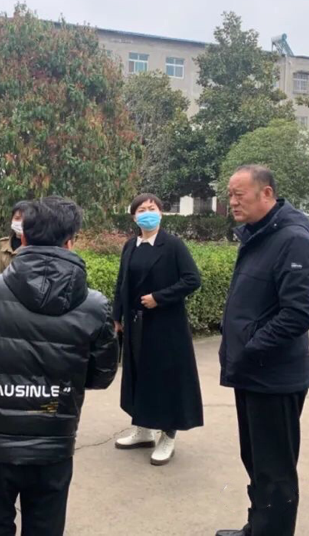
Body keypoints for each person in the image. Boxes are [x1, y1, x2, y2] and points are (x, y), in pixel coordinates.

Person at [0, 196, 118, 536]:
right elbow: (102, 375)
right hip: (53, 441)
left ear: (22, 236)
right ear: (71, 241)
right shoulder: (95, 305)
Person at [216, 165, 309, 536]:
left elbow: (299, 313)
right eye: (230, 194)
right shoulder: (258, 235)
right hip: (251, 371)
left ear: (267, 194)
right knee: (256, 461)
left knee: (275, 470)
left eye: (239, 194)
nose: (232, 201)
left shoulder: (292, 239)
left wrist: (251, 347)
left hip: (274, 376)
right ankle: (258, 527)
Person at [112, 193, 203, 465]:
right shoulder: (131, 245)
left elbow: (192, 279)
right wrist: (117, 315)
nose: (147, 213)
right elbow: (122, 282)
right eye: (141, 209)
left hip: (165, 325)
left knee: (165, 380)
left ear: (161, 214)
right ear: (134, 217)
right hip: (136, 324)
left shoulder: (173, 245)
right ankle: (143, 429)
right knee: (139, 375)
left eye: (152, 208)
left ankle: (168, 435)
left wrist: (159, 298)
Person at [0, 200, 30, 273]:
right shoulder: (2, 244)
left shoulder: (34, 246)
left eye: (25, 219)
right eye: (17, 218)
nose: (21, 222)